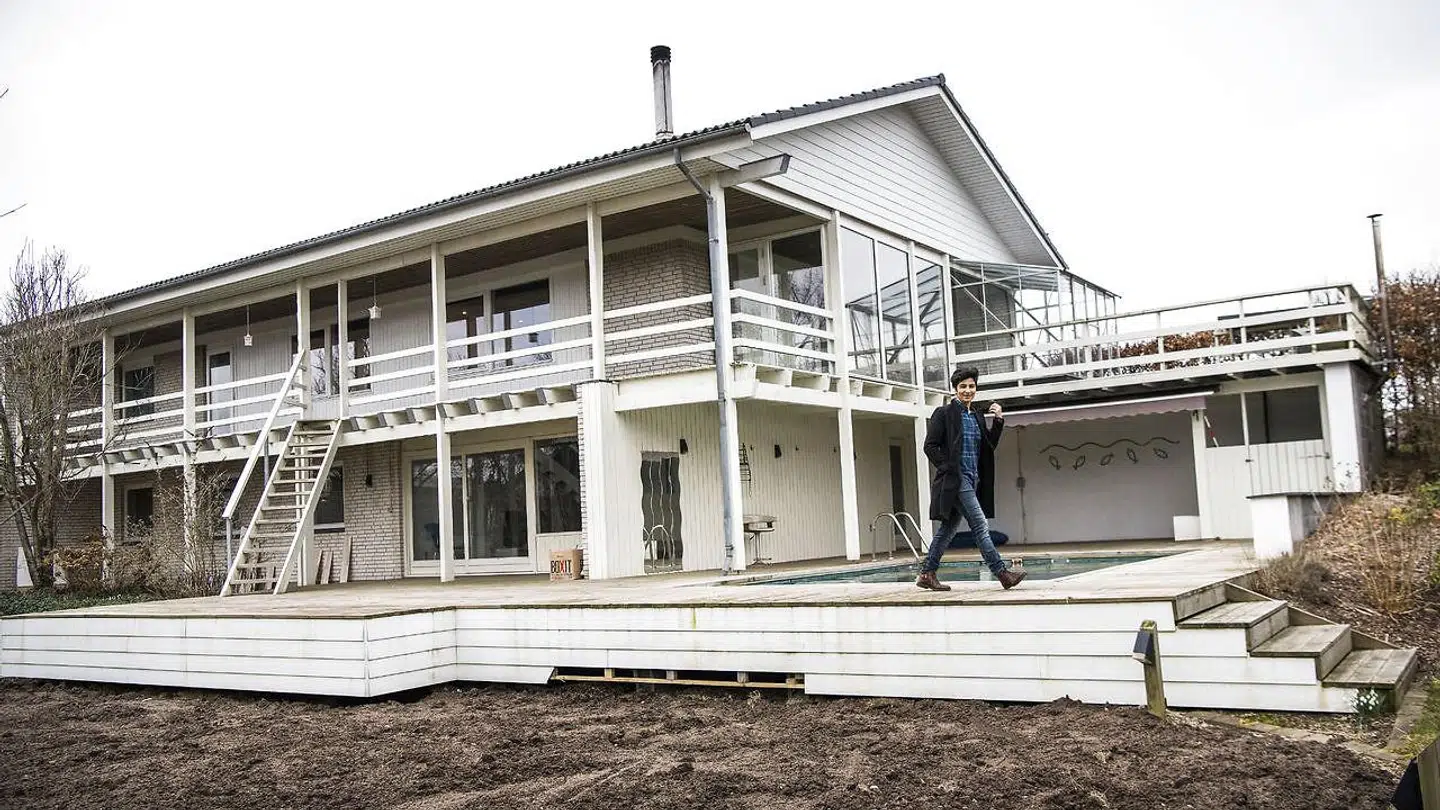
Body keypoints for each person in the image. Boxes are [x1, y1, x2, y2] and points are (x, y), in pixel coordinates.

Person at [917, 366, 1026, 591]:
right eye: (963, 386)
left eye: (971, 386)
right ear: (955, 389)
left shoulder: (976, 416)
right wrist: (948, 468)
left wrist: (998, 420)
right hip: (956, 480)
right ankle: (1002, 573)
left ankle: (927, 573)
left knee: (948, 529)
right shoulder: (944, 413)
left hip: (972, 478)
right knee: (980, 524)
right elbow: (930, 446)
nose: (968, 390)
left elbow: (988, 446)